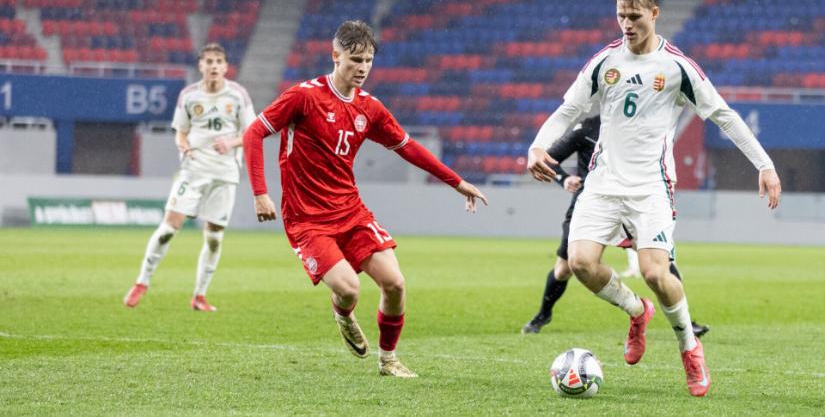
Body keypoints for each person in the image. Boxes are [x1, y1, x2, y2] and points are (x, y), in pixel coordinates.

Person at [527, 0, 781, 397]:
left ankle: (688, 346)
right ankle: (636, 311)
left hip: (650, 187)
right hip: (603, 183)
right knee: (580, 263)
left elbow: (724, 115)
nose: (626, 24)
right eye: (620, 15)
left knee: (655, 274)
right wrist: (538, 144)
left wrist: (765, 165)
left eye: (634, 16)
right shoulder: (603, 62)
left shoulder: (677, 67)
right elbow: (568, 108)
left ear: (655, 14)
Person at [243, 20, 488, 377]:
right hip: (307, 219)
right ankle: (342, 312)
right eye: (355, 59)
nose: (362, 68)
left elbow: (409, 148)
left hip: (351, 212)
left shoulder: (369, 108)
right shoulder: (304, 97)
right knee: (349, 289)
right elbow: (254, 134)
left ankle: (388, 360)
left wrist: (457, 182)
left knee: (395, 283)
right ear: (335, 56)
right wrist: (260, 193)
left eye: (368, 60)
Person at [520, 115, 710, 339]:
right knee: (564, 268)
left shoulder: (641, 125)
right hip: (591, 206)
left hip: (633, 204)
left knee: (660, 266)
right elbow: (549, 158)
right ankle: (543, 315)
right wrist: (563, 179)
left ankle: (686, 322)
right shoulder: (587, 128)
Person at [124, 43, 256, 312]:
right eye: (209, 61)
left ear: (226, 66)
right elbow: (180, 131)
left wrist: (231, 143)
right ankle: (142, 282)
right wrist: (182, 145)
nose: (214, 66)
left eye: (219, 61)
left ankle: (199, 295)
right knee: (168, 229)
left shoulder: (238, 95)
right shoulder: (189, 96)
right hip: (193, 170)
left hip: (224, 174)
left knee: (214, 238)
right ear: (201, 66)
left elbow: (252, 133)